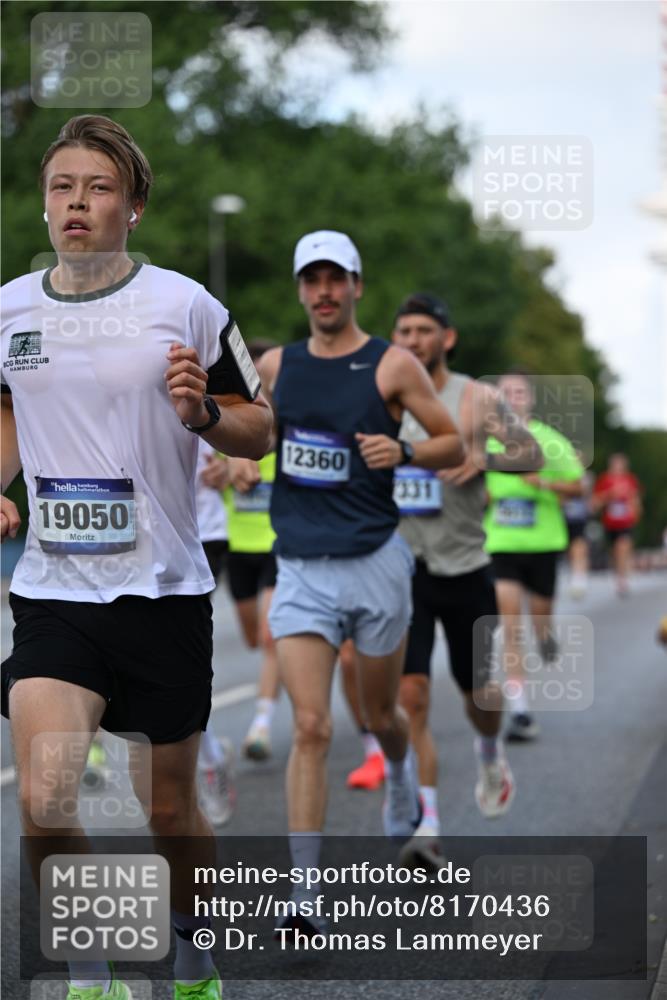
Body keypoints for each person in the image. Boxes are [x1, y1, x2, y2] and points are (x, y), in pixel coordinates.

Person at [0, 115, 271, 1000]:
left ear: (135, 206)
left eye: (98, 188)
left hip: (162, 590)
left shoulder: (187, 304)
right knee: (44, 800)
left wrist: (202, 415)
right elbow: (9, 411)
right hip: (54, 590)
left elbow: (259, 429)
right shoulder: (8, 309)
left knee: (166, 810)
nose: (77, 203)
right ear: (45, 205)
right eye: (62, 187)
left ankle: (192, 958)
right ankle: (91, 976)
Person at [251, 231, 464, 932]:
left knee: (379, 715)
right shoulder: (277, 367)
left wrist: (402, 448)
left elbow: (451, 442)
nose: (323, 292)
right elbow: (250, 433)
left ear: (356, 285)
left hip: (376, 561)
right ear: (299, 290)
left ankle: (401, 777)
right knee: (310, 726)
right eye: (311, 280)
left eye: (335, 279)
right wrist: (238, 461)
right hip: (302, 567)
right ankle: (305, 895)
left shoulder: (393, 364)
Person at [341, 294, 543, 867]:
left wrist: (482, 456)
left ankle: (488, 749)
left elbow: (528, 453)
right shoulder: (381, 396)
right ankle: (427, 823)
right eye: (403, 329)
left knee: (480, 695)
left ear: (445, 339)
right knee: (412, 696)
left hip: (466, 567)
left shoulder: (477, 397)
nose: (411, 339)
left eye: (423, 330)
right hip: (403, 569)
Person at [484, 371, 585, 741]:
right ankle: (521, 709)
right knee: (511, 625)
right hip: (501, 543)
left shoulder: (550, 440)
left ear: (530, 399)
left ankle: (546, 634)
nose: (512, 397)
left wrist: (543, 482)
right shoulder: (487, 442)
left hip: (543, 542)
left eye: (519, 391)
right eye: (505, 392)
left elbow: (577, 486)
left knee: (538, 620)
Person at [221, 341, 280, 761]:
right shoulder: (230, 429)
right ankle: (286, 670)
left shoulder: (288, 430)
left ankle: (261, 724)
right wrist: (224, 465)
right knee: (254, 639)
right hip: (239, 550)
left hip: (280, 547)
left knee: (271, 634)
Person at [194, 439, 236, 826]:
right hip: (128, 532)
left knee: (182, 656)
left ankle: (209, 761)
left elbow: (257, 411)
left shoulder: (201, 375)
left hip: (200, 533)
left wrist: (233, 459)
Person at [591, 453, 642, 597]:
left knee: (623, 546)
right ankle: (620, 574)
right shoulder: (604, 479)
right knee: (615, 551)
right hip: (610, 523)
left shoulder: (630, 479)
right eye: (615, 464)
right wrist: (609, 495)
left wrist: (636, 512)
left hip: (626, 522)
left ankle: (623, 579)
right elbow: (595, 503)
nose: (618, 467)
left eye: (621, 464)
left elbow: (635, 499)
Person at [562, 470, 593, 599]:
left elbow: (586, 493)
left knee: (579, 545)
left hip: (578, 516)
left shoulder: (585, 476)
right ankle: (574, 571)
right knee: (570, 550)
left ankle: (579, 576)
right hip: (561, 517)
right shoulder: (555, 473)